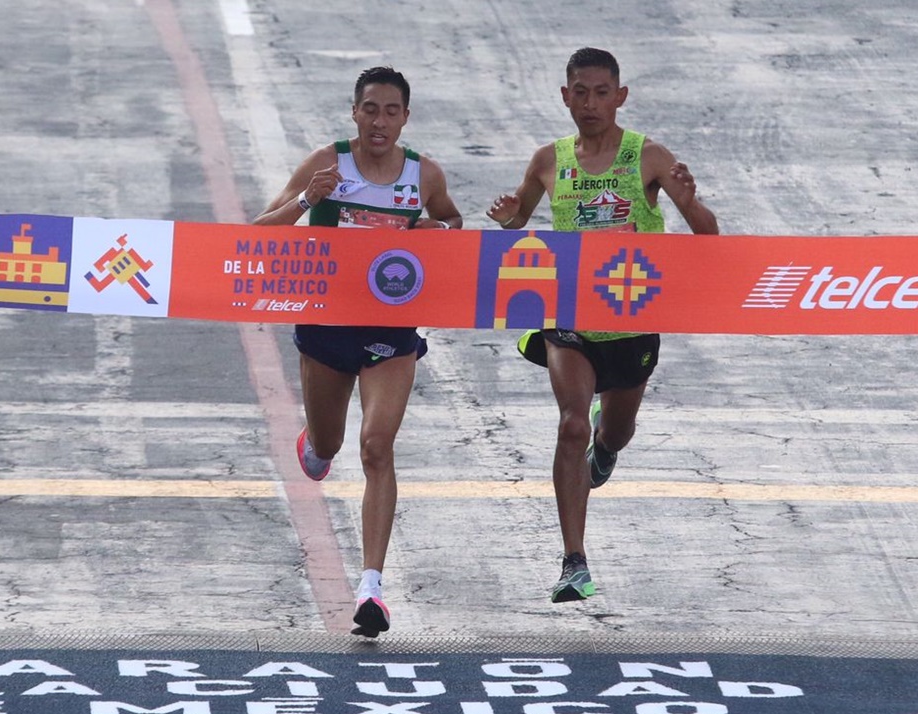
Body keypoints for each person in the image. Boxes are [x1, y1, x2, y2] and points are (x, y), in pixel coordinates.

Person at [486, 47, 719, 603]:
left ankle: (606, 450)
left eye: (601, 93)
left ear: (620, 96)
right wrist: (507, 219)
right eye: (580, 93)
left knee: (613, 432)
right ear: (565, 96)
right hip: (569, 315)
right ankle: (573, 562)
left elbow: (709, 240)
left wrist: (688, 202)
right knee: (571, 425)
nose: (590, 104)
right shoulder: (549, 160)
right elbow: (519, 217)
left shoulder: (649, 157)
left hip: (632, 317)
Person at [253, 66, 462, 637]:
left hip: (392, 325)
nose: (380, 121)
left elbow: (452, 223)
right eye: (370, 109)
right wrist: (304, 199)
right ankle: (314, 448)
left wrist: (435, 233)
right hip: (326, 323)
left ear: (405, 118)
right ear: (355, 113)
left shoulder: (422, 174)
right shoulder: (327, 164)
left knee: (376, 446)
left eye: (391, 111)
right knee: (331, 444)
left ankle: (371, 589)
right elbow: (257, 232)